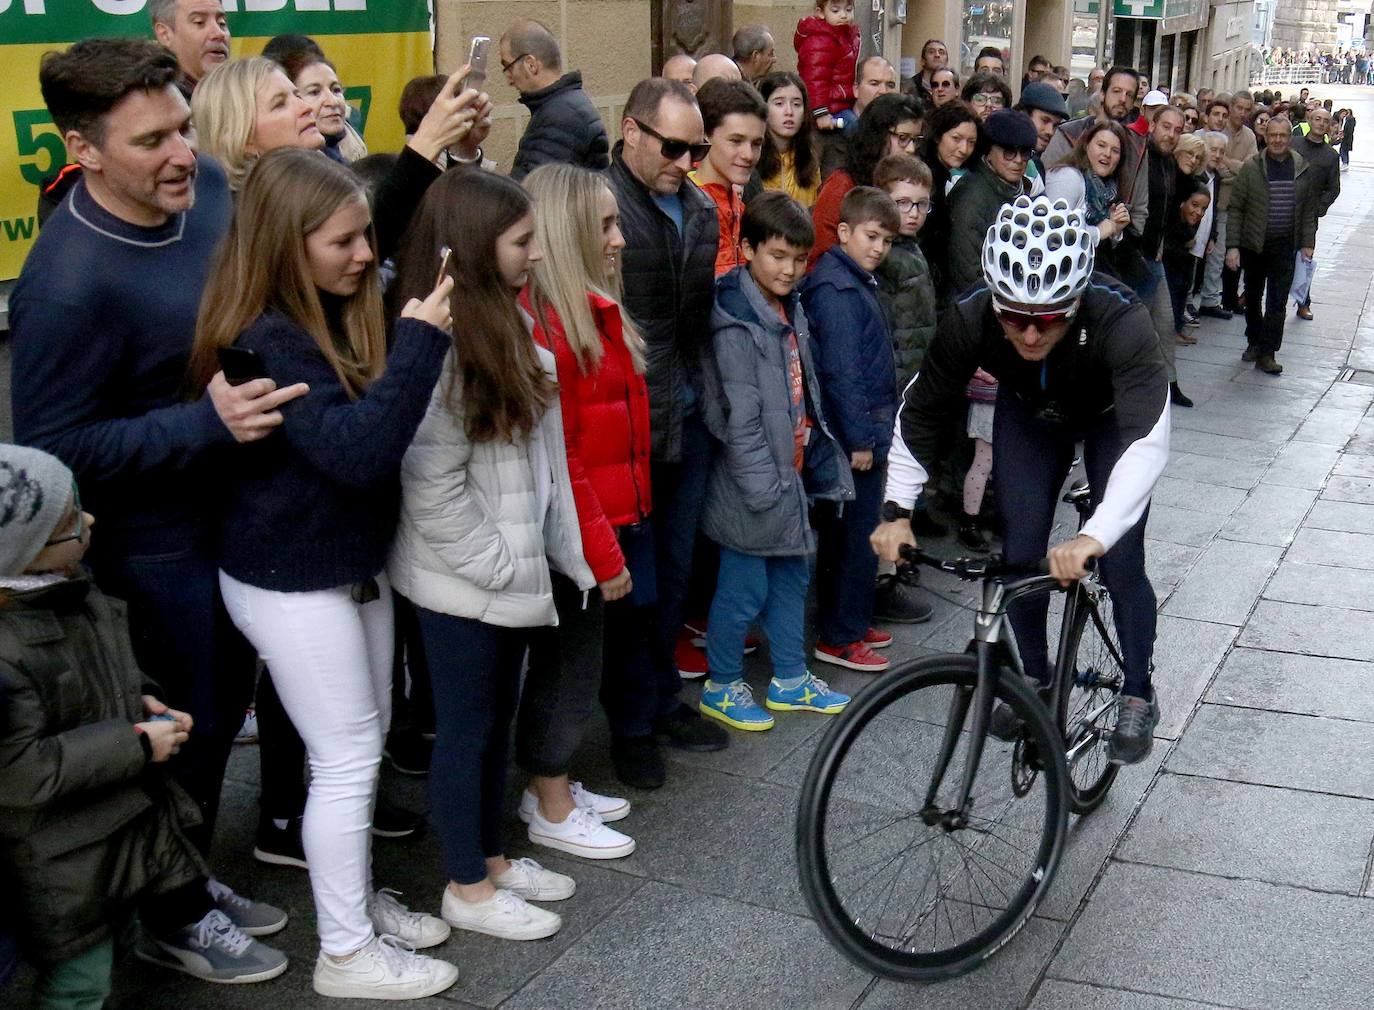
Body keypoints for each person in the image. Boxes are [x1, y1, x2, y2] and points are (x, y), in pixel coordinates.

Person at [11, 38, 294, 932]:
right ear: (83, 150)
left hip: (240, 511)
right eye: (151, 141)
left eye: (183, 128)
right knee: (186, 722)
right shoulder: (65, 283)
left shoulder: (206, 185)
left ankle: (187, 877)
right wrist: (201, 425)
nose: (182, 154)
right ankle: (171, 919)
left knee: (224, 710)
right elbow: (54, 451)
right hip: (154, 550)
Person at [186, 149, 459, 999]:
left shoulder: (323, 314)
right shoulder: (266, 337)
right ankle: (345, 953)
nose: (364, 256)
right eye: (342, 242)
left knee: (358, 752)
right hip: (291, 581)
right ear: (285, 243)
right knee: (345, 760)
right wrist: (421, 341)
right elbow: (359, 452)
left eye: (365, 236)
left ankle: (358, 907)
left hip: (343, 568)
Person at [873, 194, 1171, 766]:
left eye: (1049, 319)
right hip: (1030, 417)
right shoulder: (971, 316)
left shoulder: (1118, 317)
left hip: (1112, 422)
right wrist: (896, 510)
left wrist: (1095, 534)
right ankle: (1036, 676)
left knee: (1120, 559)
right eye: (1013, 317)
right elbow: (923, 408)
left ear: (1076, 300)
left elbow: (1146, 440)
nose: (1030, 335)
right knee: (1019, 555)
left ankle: (1138, 689)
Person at [0, 445, 289, 998]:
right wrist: (133, 742)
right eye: (70, 523)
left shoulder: (73, 589)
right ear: (25, 552)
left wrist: (142, 700)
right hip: (58, 861)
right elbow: (19, 768)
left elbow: (105, 670)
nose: (90, 519)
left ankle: (168, 921)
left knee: (114, 946)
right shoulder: (11, 646)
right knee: (80, 980)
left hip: (105, 830)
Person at [515, 164, 643, 856]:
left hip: (590, 524)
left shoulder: (584, 312)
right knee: (567, 668)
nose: (619, 239)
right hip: (574, 534)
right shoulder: (554, 330)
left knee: (572, 663)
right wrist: (601, 551)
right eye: (605, 226)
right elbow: (566, 457)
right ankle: (552, 802)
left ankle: (550, 786)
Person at [605, 78, 729, 779]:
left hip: (687, 419)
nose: (686, 162)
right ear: (631, 131)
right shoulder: (601, 204)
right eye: (673, 147)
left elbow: (697, 324)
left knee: (675, 575)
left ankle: (661, 700)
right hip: (625, 430)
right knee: (634, 583)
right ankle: (630, 725)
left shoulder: (701, 210)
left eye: (696, 149)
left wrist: (709, 400)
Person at [695, 192, 855, 727]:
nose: (789, 269)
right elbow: (739, 418)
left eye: (799, 259)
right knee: (742, 591)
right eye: (777, 255)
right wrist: (766, 488)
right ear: (747, 249)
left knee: (791, 579)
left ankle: (789, 678)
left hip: (789, 475)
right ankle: (722, 685)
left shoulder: (789, 305)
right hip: (755, 486)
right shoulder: (734, 320)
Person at [803, 187, 902, 673]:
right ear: (844, 232)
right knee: (849, 539)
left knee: (860, 535)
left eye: (887, 240)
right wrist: (860, 439)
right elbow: (842, 372)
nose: (879, 248)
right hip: (853, 439)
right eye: (871, 236)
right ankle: (839, 636)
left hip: (866, 430)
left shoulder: (853, 279)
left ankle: (853, 622)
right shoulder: (837, 289)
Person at [1226, 116, 1320, 375]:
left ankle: (1268, 353)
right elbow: (1236, 208)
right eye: (1273, 135)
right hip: (1254, 245)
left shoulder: (1301, 168)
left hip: (1285, 247)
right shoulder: (1251, 167)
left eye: (1283, 135)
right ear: (1266, 137)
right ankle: (1254, 341)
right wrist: (1232, 246)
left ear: (1290, 138)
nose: (1278, 140)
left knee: (1277, 303)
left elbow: (1308, 210)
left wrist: (1307, 243)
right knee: (1253, 296)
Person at [809, 93, 922, 269]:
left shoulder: (908, 184)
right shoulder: (842, 185)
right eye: (902, 138)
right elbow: (820, 257)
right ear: (878, 135)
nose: (911, 149)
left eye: (915, 140)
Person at [500, 19, 611, 181]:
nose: (509, 80)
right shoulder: (562, 107)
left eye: (508, 67)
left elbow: (527, 190)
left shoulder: (560, 116)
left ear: (531, 64)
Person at [1044, 67, 1149, 234]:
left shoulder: (1137, 146)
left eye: (1129, 95)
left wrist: (1122, 235)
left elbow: (1139, 209)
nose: (1122, 99)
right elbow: (1045, 188)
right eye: (1116, 91)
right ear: (1102, 94)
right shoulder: (1068, 133)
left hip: (1118, 241)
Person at [946, 109, 1038, 297]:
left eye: (1025, 152)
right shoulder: (970, 196)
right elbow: (967, 271)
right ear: (989, 150)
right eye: (1009, 152)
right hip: (980, 302)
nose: (1019, 160)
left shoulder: (1022, 189)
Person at [689, 78, 767, 277]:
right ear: (705, 137)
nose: (748, 155)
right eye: (736, 141)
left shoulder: (742, 209)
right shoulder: (687, 209)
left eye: (756, 144)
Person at [263, 34, 368, 164]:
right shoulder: (280, 168)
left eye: (336, 90)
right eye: (314, 92)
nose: (333, 101)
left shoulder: (353, 147)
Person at [1204, 90, 1258, 315]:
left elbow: (1250, 170)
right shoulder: (1218, 131)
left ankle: (1214, 299)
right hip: (1210, 202)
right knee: (1207, 253)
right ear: (1232, 107)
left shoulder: (1249, 136)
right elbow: (1215, 169)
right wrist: (1234, 169)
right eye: (1239, 108)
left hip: (1232, 205)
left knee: (1223, 256)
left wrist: (1225, 162)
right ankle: (1205, 299)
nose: (1242, 113)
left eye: (1247, 109)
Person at [919, 101, 980, 299]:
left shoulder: (939, 175)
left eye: (971, 142)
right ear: (938, 136)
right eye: (956, 138)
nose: (964, 149)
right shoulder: (924, 178)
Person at [1044, 120, 1133, 251]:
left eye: (1115, 151)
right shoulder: (1069, 177)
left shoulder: (1109, 189)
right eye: (1101, 145)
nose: (1107, 154)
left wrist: (1116, 228)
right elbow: (1053, 233)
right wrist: (1098, 232)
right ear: (1086, 146)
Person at [1292, 106, 1341, 321]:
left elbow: (1333, 188)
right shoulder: (1293, 144)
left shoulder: (1330, 156)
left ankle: (1303, 302)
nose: (1321, 123)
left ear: (1329, 125)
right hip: (1285, 208)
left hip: (1308, 216)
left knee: (1305, 257)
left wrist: (1319, 208)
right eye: (1317, 119)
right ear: (1309, 120)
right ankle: (1250, 293)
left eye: (1325, 120)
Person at [818, 56, 901, 179]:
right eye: (874, 83)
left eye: (890, 85)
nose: (883, 91)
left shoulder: (902, 136)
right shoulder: (829, 133)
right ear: (856, 89)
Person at [757, 71, 822, 207]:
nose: (789, 112)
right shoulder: (752, 158)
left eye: (796, 104)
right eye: (779, 103)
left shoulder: (810, 161)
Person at [794, 0, 861, 132]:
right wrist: (820, 112)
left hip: (843, 102)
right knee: (854, 128)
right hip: (828, 107)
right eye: (835, 11)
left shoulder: (846, 35)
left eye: (848, 10)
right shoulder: (820, 41)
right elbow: (815, 79)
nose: (843, 15)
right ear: (820, 13)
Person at [1164, 178, 1211, 347]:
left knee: (1183, 287)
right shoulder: (1172, 223)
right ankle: (1171, 331)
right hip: (1171, 258)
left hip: (1182, 257)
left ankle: (1177, 328)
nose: (1199, 212)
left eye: (1203, 209)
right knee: (1174, 289)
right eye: (1195, 205)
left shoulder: (1189, 226)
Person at [149, 0, 229, 97]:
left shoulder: (239, 95)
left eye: (222, 23)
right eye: (199, 22)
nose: (219, 33)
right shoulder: (154, 100)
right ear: (165, 34)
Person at [1015, 81, 1070, 179]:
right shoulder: (1002, 158)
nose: (1050, 131)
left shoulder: (1036, 163)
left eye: (1055, 125)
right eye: (1045, 120)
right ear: (1023, 115)